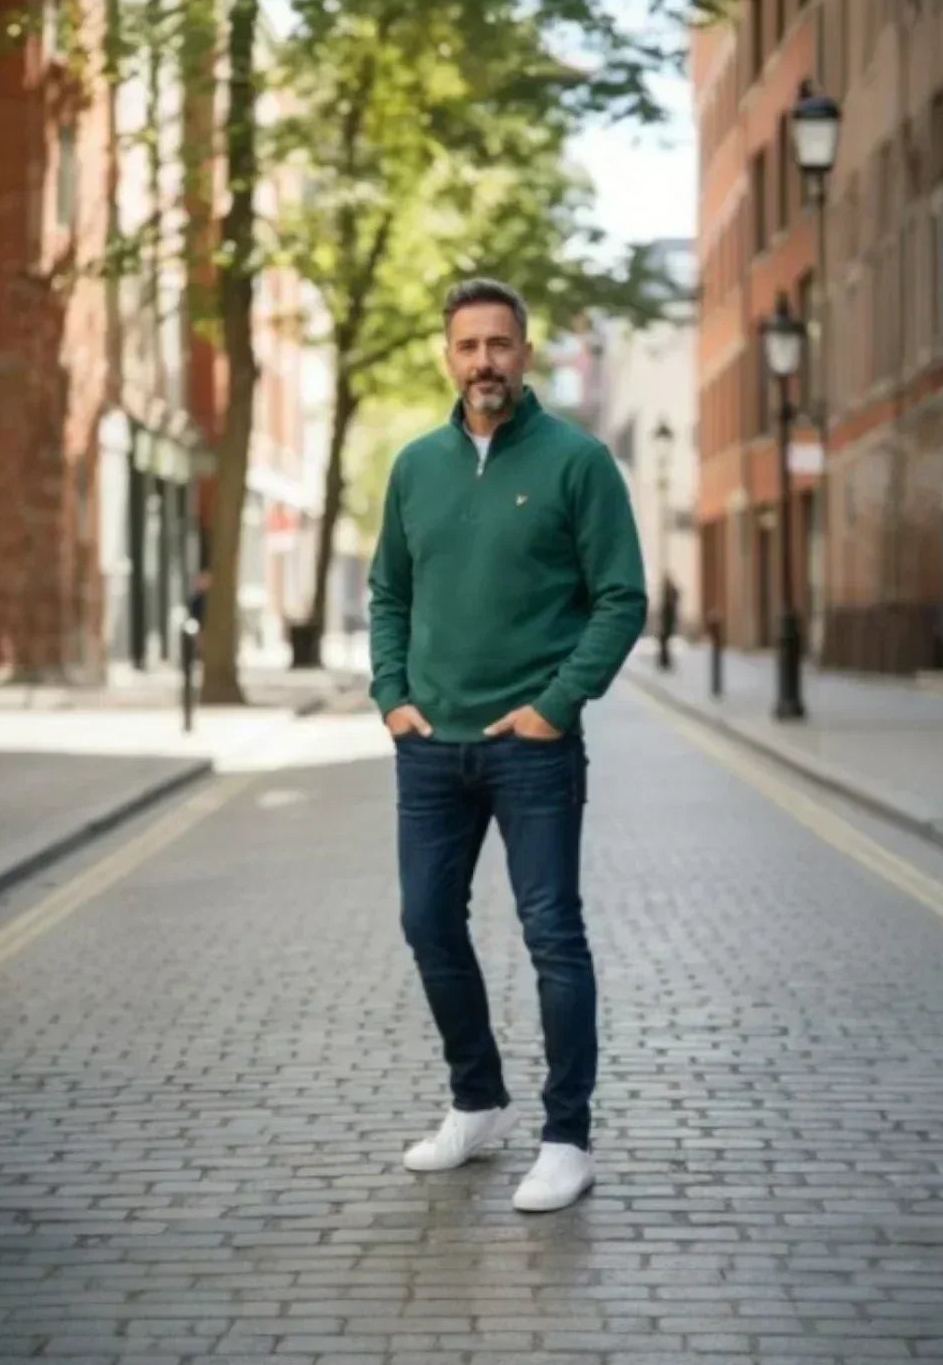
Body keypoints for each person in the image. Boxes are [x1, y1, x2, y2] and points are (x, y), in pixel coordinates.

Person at [367, 278, 647, 1213]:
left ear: (525, 354)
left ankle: (567, 1137)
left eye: (500, 344)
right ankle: (477, 1101)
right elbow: (390, 593)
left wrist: (559, 704)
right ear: (447, 356)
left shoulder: (578, 463)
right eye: (467, 346)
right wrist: (391, 695)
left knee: (552, 936)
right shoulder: (415, 466)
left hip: (533, 747)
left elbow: (621, 597)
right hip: (431, 749)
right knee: (426, 923)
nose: (483, 361)